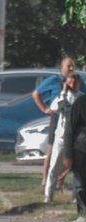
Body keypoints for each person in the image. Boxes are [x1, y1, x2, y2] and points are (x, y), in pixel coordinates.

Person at [36, 57, 86, 193]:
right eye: (69, 66)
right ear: (62, 67)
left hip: (76, 121)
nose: (71, 68)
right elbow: (36, 94)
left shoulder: (78, 80)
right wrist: (45, 109)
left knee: (73, 153)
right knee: (53, 150)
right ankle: (45, 182)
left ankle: (62, 182)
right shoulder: (55, 80)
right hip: (58, 117)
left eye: (73, 66)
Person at [45, 73, 83, 203]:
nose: (72, 86)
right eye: (70, 83)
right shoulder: (63, 97)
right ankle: (49, 195)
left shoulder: (82, 98)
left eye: (75, 83)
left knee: (78, 168)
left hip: (77, 138)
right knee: (55, 165)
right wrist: (63, 93)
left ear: (79, 84)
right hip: (62, 136)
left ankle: (76, 196)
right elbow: (54, 108)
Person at [63, 87, 86, 216]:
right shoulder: (81, 102)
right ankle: (82, 214)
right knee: (80, 183)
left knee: (81, 184)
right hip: (80, 148)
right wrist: (68, 154)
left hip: (80, 146)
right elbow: (70, 128)